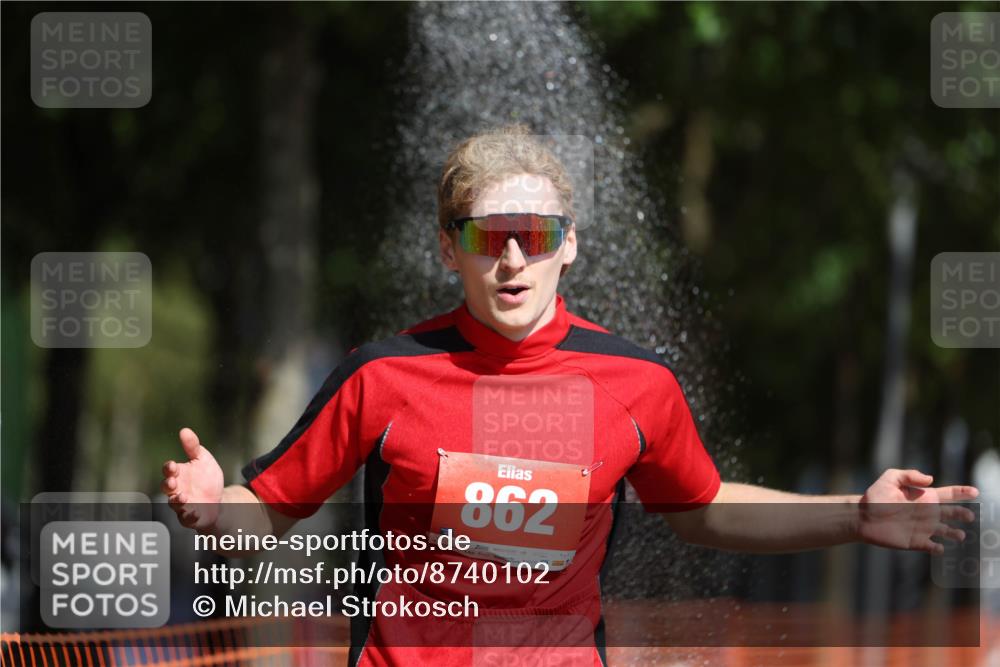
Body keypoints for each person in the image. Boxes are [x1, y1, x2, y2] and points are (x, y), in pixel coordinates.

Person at [162, 124, 979, 666]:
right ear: (450, 248)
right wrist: (213, 507)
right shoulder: (383, 374)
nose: (513, 259)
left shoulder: (636, 381)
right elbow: (270, 506)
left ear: (571, 245)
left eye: (537, 236)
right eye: (488, 237)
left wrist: (855, 516)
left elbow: (701, 506)